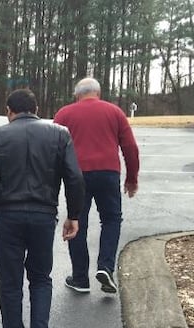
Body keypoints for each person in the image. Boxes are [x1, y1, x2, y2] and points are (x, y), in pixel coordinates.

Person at [0, 89, 85, 328]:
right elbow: (74, 177)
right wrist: (74, 215)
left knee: (10, 282)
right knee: (40, 277)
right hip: (43, 216)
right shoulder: (60, 134)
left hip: (8, 217)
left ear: (9, 110)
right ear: (36, 108)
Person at [53, 78, 140, 294]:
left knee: (76, 222)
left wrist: (51, 184)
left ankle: (81, 278)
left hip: (76, 176)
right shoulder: (115, 112)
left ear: (77, 95)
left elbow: (52, 149)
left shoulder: (64, 114)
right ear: (98, 94)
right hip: (108, 173)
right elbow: (130, 147)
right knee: (111, 219)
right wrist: (132, 178)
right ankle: (106, 268)